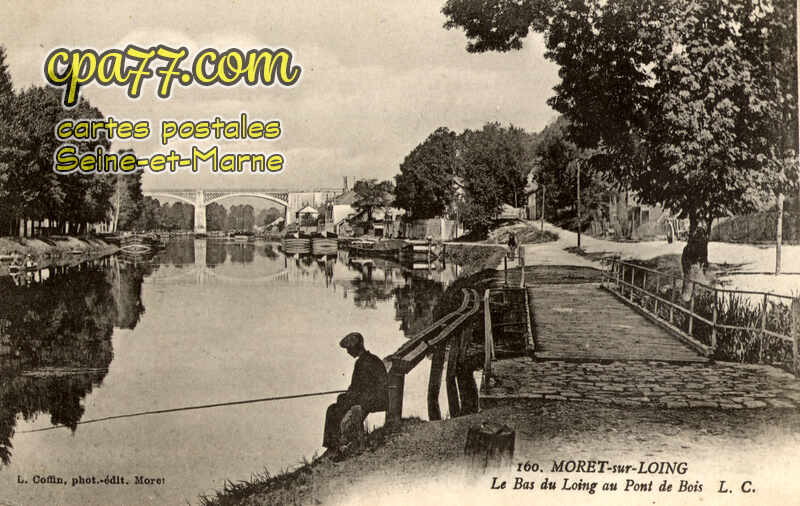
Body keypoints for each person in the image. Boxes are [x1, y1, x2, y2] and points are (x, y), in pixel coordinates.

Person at [322, 332, 388, 453]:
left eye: (349, 349)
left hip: (372, 399)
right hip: (375, 396)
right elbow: (359, 387)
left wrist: (346, 396)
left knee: (333, 410)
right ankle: (337, 443)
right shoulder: (371, 359)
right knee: (338, 404)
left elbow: (358, 389)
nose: (348, 352)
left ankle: (334, 446)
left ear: (356, 348)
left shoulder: (362, 363)